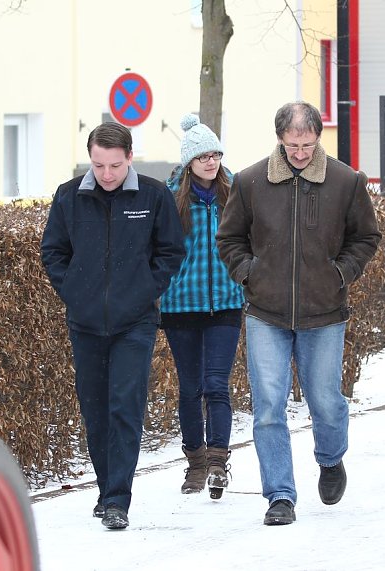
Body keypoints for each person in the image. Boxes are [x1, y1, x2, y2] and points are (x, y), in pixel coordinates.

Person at [217, 101, 381, 526]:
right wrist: (248, 272)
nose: (301, 153)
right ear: (280, 139)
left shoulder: (346, 181)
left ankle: (330, 458)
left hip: (324, 311)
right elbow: (229, 238)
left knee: (325, 400)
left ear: (318, 138)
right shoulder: (250, 181)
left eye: (308, 145)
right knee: (268, 406)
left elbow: (366, 236)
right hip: (265, 311)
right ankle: (280, 495)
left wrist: (341, 272)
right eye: (293, 145)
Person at [40, 122, 185, 530]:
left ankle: (118, 498)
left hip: (135, 321)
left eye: (115, 166)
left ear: (130, 158)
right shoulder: (69, 196)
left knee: (125, 405)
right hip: (85, 322)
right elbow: (53, 251)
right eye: (99, 165)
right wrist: (75, 292)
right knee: (95, 409)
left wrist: (145, 290)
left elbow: (170, 251)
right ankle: (107, 492)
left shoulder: (153, 196)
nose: (107, 174)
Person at [159, 114, 244, 499]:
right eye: (203, 157)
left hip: (226, 302)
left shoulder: (235, 193)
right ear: (189, 161)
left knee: (216, 385)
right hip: (181, 305)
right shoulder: (170, 198)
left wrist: (246, 275)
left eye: (215, 155)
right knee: (190, 387)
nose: (211, 162)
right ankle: (195, 463)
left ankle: (217, 463)